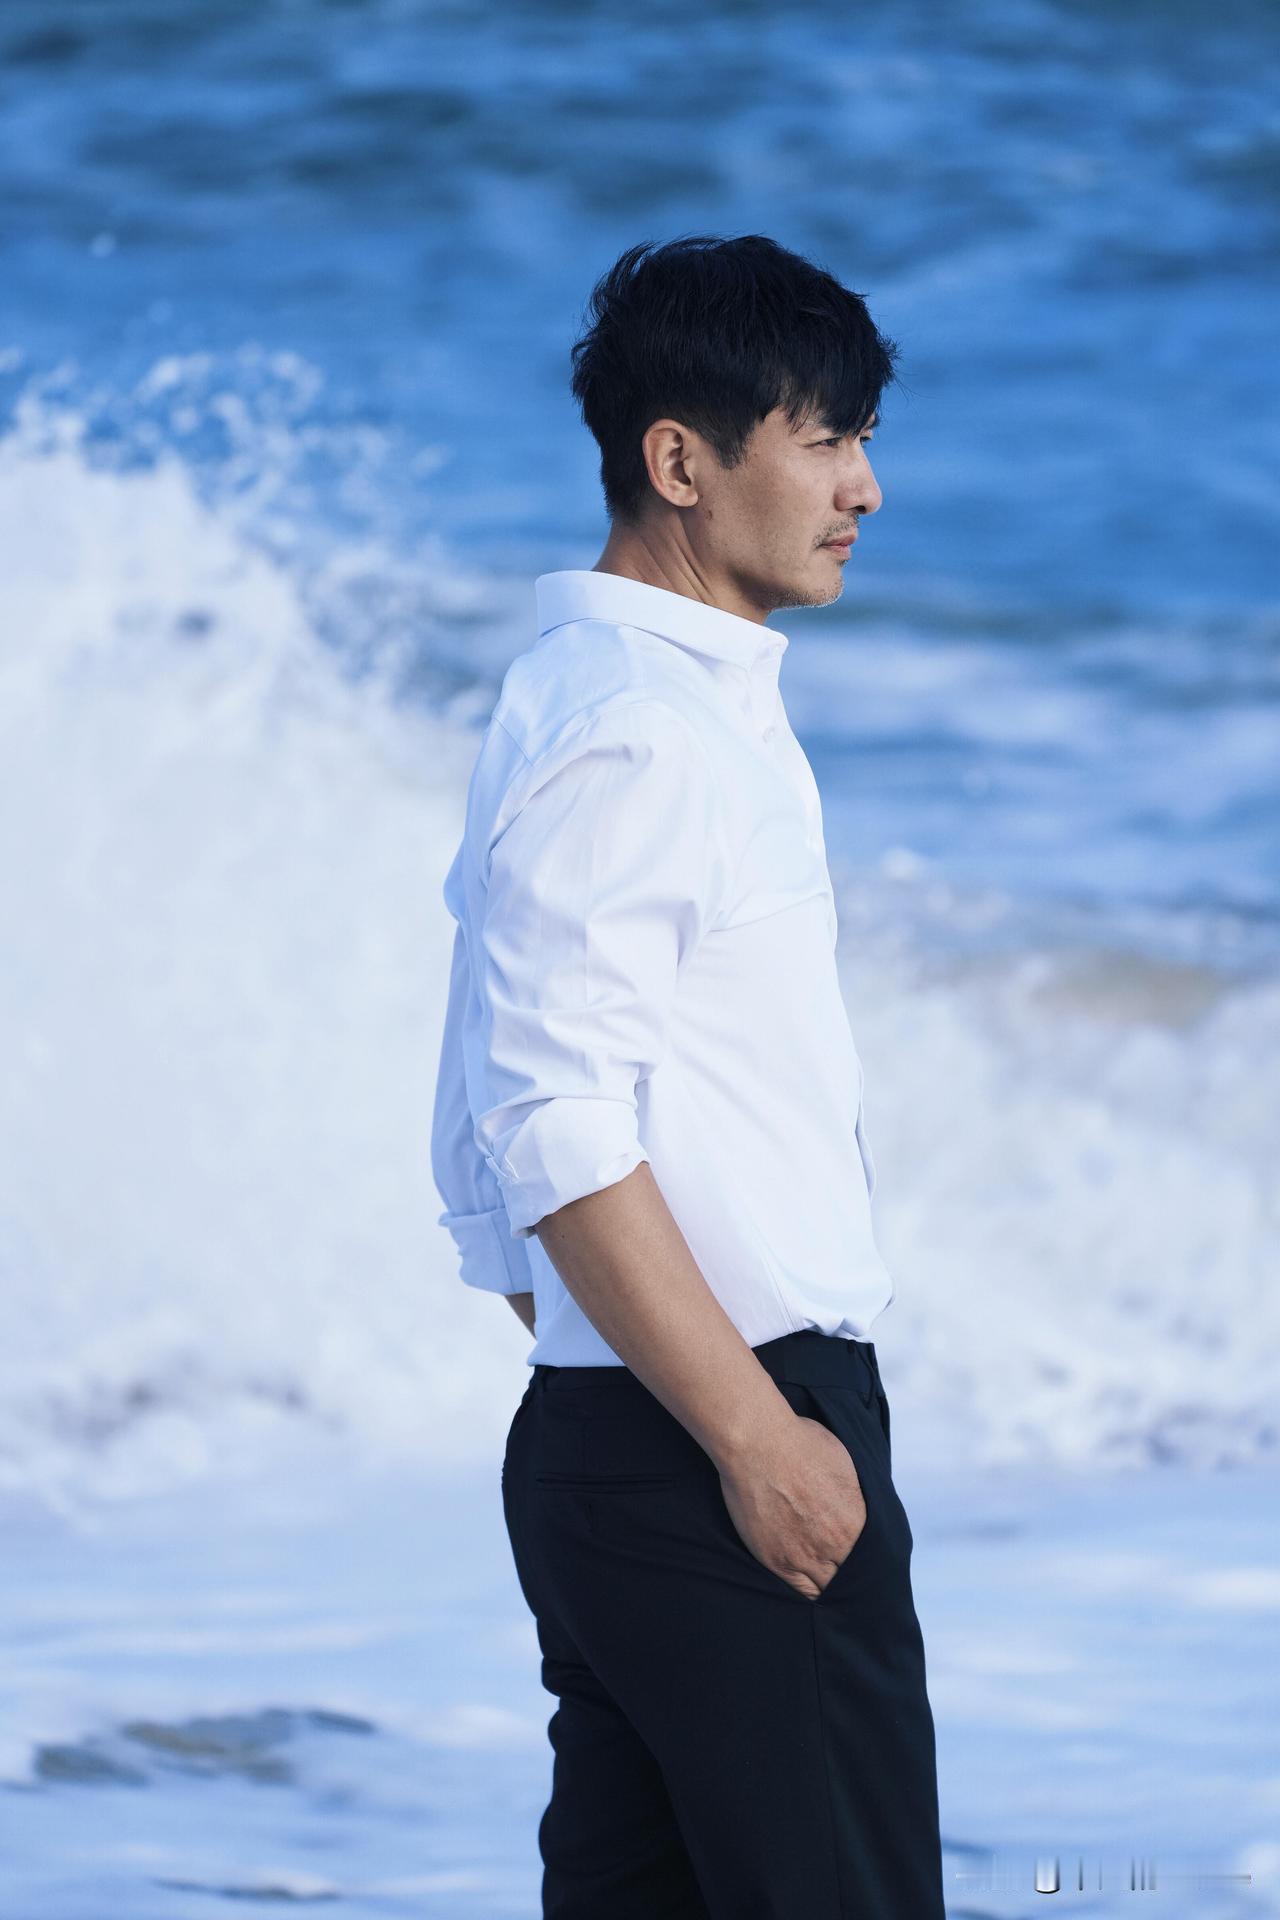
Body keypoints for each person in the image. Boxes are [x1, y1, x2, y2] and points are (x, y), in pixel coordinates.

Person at [430, 232, 946, 1918]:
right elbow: (544, 1117)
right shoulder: (644, 725)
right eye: (825, 438)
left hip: (639, 1431)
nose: (864, 487)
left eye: (864, 437)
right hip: (725, 1438)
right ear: (680, 461)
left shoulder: (600, 696)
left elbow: (480, 1119)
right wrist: (744, 1433)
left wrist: (600, 1366)